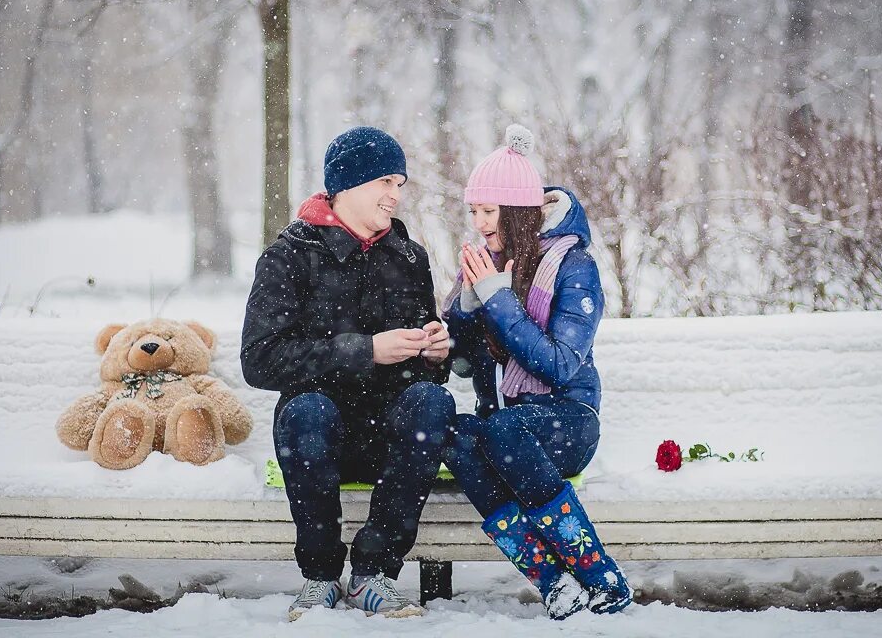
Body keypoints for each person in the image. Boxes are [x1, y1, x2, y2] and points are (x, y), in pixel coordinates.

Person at [240, 126, 455, 620]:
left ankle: (373, 574)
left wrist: (433, 354)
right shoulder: (289, 255)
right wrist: (366, 351)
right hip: (316, 437)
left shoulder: (409, 256)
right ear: (348, 185)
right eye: (385, 182)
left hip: (389, 440)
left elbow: (424, 378)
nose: (395, 195)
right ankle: (319, 579)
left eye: (400, 184)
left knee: (433, 403)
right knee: (307, 411)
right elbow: (260, 359)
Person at [442, 125, 633, 619]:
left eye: (489, 211)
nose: (480, 223)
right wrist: (463, 309)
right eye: (474, 211)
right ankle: (553, 582)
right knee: (455, 434)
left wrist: (497, 300)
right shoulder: (488, 265)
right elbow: (462, 363)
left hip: (568, 418)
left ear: (519, 213)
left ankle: (600, 577)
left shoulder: (573, 266)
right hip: (508, 423)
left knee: (502, 430)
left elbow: (559, 362)